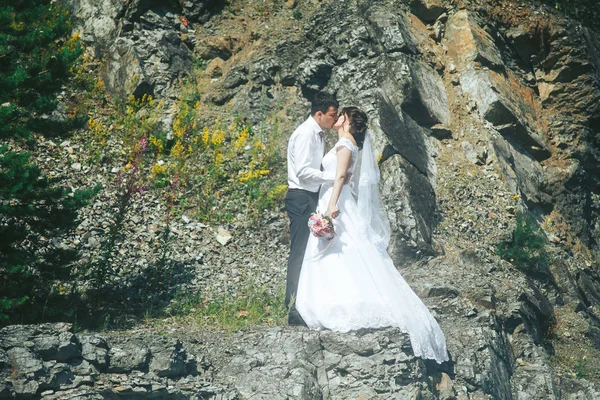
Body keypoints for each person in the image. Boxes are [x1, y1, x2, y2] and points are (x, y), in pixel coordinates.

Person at [295, 107, 449, 363]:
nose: (336, 118)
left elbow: (341, 176)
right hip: (331, 198)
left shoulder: (346, 143)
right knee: (337, 250)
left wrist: (332, 205)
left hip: (337, 201)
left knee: (345, 249)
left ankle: (347, 301)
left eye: (340, 115)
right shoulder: (345, 143)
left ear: (346, 120)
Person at [285, 91, 340, 326]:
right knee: (299, 251)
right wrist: (333, 177)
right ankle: (293, 308)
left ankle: (307, 303)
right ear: (319, 114)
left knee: (310, 250)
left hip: (311, 196)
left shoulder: (318, 133)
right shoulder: (306, 134)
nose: (335, 120)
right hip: (301, 197)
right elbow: (303, 172)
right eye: (332, 115)